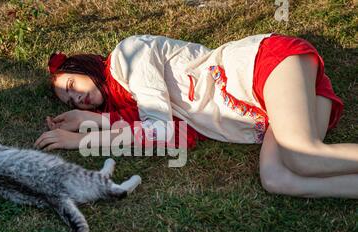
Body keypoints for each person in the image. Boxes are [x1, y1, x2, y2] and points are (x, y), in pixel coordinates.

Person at [34, 33, 358, 198]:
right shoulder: (132, 106)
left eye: (72, 84)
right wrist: (92, 121)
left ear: (84, 68)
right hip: (269, 107)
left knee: (302, 156)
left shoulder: (128, 55)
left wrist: (80, 138)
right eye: (71, 100)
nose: (77, 97)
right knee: (277, 179)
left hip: (261, 68)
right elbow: (176, 138)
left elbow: (156, 131)